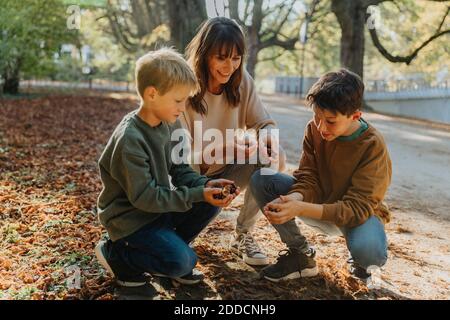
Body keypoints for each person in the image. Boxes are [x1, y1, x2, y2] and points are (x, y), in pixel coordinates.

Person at [94, 48, 239, 296]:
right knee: (183, 262)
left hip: (155, 212)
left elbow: (180, 168)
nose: (183, 108)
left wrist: (206, 186)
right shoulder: (131, 139)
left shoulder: (168, 123)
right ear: (152, 94)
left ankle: (165, 251)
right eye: (178, 100)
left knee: (208, 202)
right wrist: (196, 194)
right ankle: (119, 255)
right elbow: (146, 197)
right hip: (131, 221)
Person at [250, 69, 392, 282]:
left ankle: (361, 264)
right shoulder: (314, 129)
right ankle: (301, 255)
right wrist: (295, 198)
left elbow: (356, 208)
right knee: (263, 179)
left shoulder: (372, 145)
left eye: (331, 121)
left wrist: (301, 207)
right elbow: (308, 176)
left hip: (354, 216)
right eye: (317, 116)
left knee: (370, 254)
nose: (321, 126)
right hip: (318, 203)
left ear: (355, 116)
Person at [180, 17, 286, 266]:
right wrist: (220, 150)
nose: (230, 67)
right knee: (176, 252)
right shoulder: (183, 84)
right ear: (205, 54)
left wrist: (270, 141)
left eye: (236, 58)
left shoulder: (242, 80)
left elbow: (265, 123)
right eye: (222, 57)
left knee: (268, 158)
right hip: (190, 179)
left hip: (227, 172)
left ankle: (243, 235)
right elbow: (180, 157)